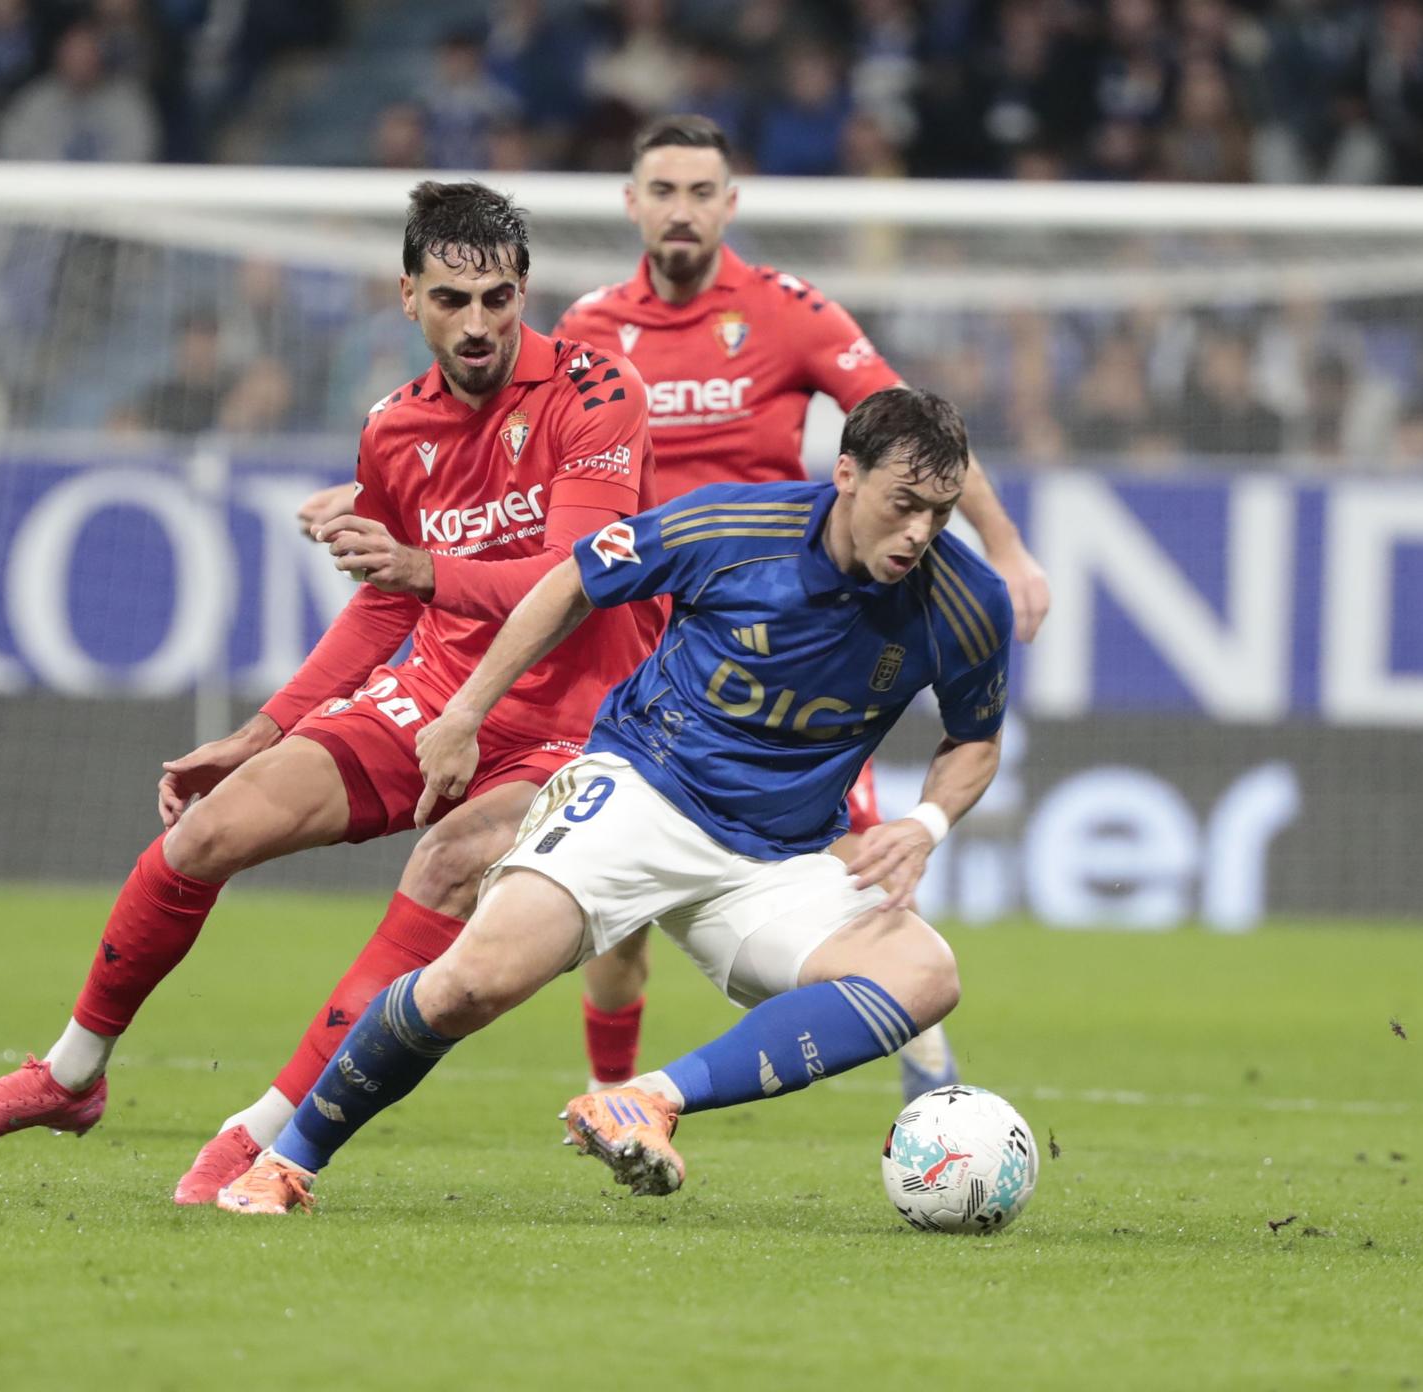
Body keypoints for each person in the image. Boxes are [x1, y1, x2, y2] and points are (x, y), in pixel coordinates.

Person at [0, 184, 662, 1206]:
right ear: (408, 297)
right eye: (451, 300)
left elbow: (578, 577)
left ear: (524, 291)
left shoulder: (595, 389)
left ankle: (263, 1135)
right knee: (208, 831)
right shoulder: (393, 427)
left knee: (446, 865)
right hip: (434, 693)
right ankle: (69, 1076)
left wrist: (425, 573)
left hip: (581, 724)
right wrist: (263, 729)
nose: (477, 323)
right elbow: (384, 604)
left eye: (496, 298)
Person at [296, 114, 1049, 1104]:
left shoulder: (789, 312)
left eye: (701, 191)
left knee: (864, 872)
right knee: (606, 897)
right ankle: (613, 1098)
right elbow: (500, 439)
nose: (682, 209)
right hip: (636, 624)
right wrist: (380, 497)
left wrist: (1005, 548)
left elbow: (912, 442)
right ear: (632, 204)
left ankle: (925, 1083)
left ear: (729, 205)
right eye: (664, 190)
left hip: (783, 629)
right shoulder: (592, 328)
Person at [217, 386, 1009, 1214]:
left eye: (941, 512)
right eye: (903, 504)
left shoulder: (966, 602)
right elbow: (574, 578)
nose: (919, 532)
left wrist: (927, 823)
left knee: (925, 974)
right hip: (642, 795)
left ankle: (647, 1099)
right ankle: (286, 1161)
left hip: (778, 859)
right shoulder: (733, 528)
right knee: (470, 985)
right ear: (846, 474)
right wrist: (466, 712)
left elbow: (976, 739)